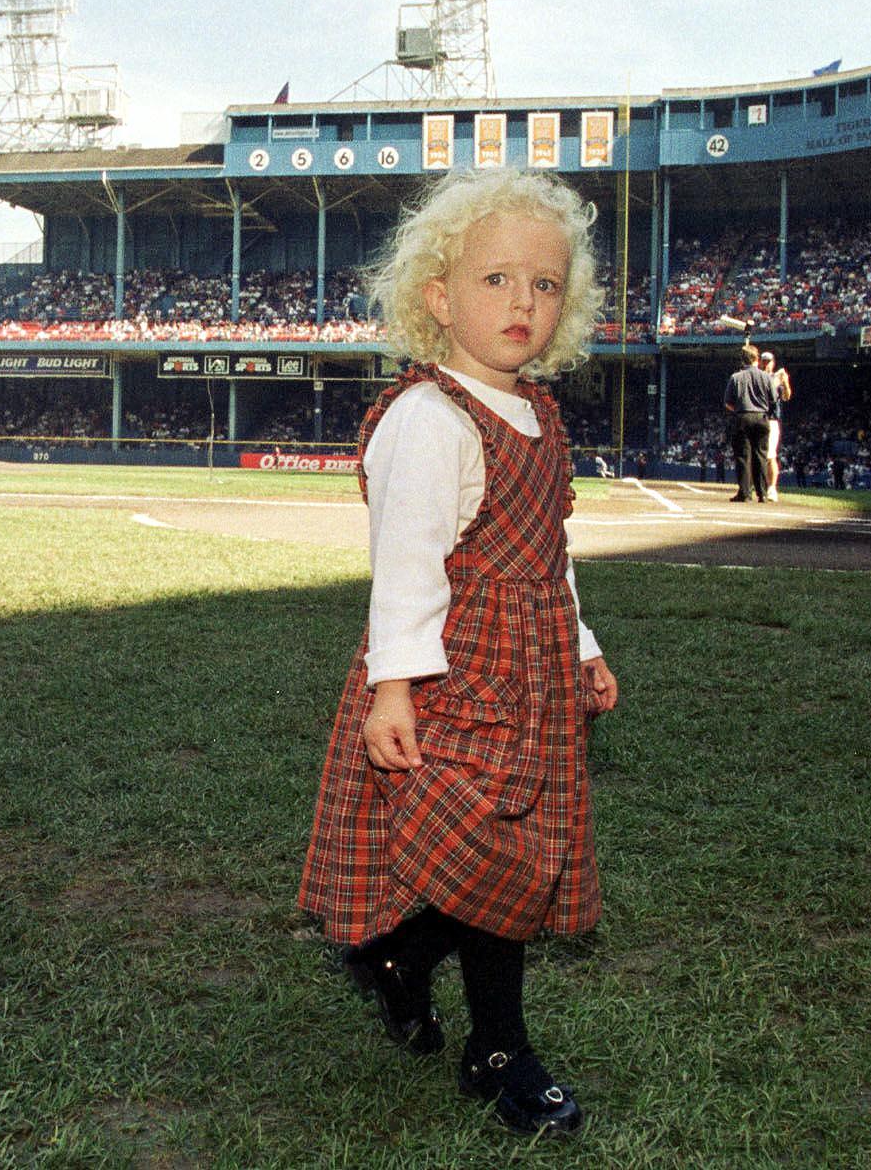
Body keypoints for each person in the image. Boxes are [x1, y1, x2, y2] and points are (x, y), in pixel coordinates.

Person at [299, 168, 618, 1138]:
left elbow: (546, 557)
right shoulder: (429, 418)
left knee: (510, 863)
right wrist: (392, 691)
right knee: (497, 862)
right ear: (438, 296)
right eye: (496, 280)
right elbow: (401, 567)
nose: (523, 301)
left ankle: (406, 961)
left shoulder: (545, 420)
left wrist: (584, 645)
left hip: (533, 681)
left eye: (546, 284)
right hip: (453, 682)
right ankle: (499, 1046)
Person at [723, 345, 777, 502]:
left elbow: (728, 403)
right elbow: (773, 400)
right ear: (757, 359)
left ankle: (745, 493)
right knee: (761, 456)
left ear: (742, 359)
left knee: (743, 456)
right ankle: (762, 494)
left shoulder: (736, 377)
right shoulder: (766, 377)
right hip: (762, 417)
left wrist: (740, 410)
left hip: (743, 416)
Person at [757, 348, 793, 502]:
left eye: (768, 362)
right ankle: (759, 485)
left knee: (770, 455)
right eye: (763, 361)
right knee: (757, 455)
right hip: (757, 418)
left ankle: (772, 488)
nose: (766, 364)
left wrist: (784, 382)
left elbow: (786, 396)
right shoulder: (757, 377)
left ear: (772, 363)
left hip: (771, 419)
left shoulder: (776, 378)